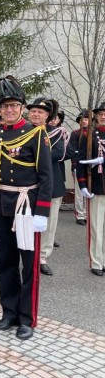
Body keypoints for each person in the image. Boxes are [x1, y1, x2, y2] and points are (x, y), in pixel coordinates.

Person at [0, 76, 52, 340]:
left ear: (22, 107)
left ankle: (27, 318)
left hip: (27, 208)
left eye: (14, 105)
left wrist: (42, 212)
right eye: (4, 107)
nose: (9, 110)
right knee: (6, 263)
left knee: (28, 265)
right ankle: (9, 312)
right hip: (2, 207)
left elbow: (46, 176)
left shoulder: (36, 133)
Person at [28, 99, 65, 276]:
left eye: (40, 112)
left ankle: (42, 257)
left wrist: (34, 153)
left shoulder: (56, 133)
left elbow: (60, 153)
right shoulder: (23, 132)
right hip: (27, 185)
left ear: (47, 116)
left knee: (49, 224)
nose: (36, 114)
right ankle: (28, 256)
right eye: (33, 111)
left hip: (52, 184)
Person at [77, 103, 105, 277]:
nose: (103, 116)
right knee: (96, 227)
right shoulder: (89, 136)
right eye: (100, 113)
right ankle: (96, 262)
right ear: (95, 116)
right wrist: (82, 185)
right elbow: (80, 161)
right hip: (97, 186)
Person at [70, 110, 89, 225]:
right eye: (82, 120)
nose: (85, 121)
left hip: (91, 165)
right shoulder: (75, 133)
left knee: (89, 190)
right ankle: (80, 214)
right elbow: (73, 151)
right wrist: (74, 166)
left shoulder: (93, 133)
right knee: (79, 191)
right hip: (79, 164)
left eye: (86, 119)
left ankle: (87, 213)